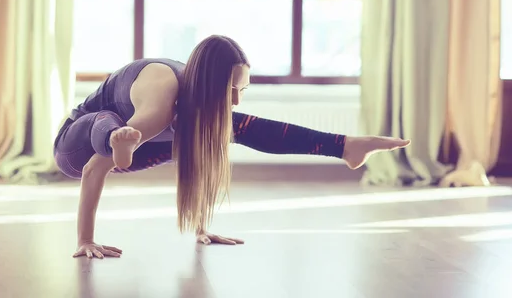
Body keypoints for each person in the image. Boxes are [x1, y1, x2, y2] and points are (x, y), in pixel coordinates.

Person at [53, 35, 410, 259]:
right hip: (78, 146)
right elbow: (91, 169)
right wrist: (86, 239)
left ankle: (344, 146)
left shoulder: (200, 102)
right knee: (109, 124)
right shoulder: (161, 96)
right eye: (231, 90)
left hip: (135, 145)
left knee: (230, 127)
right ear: (208, 82)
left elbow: (200, 163)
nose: (237, 100)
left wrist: (201, 228)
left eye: (243, 90)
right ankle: (119, 143)